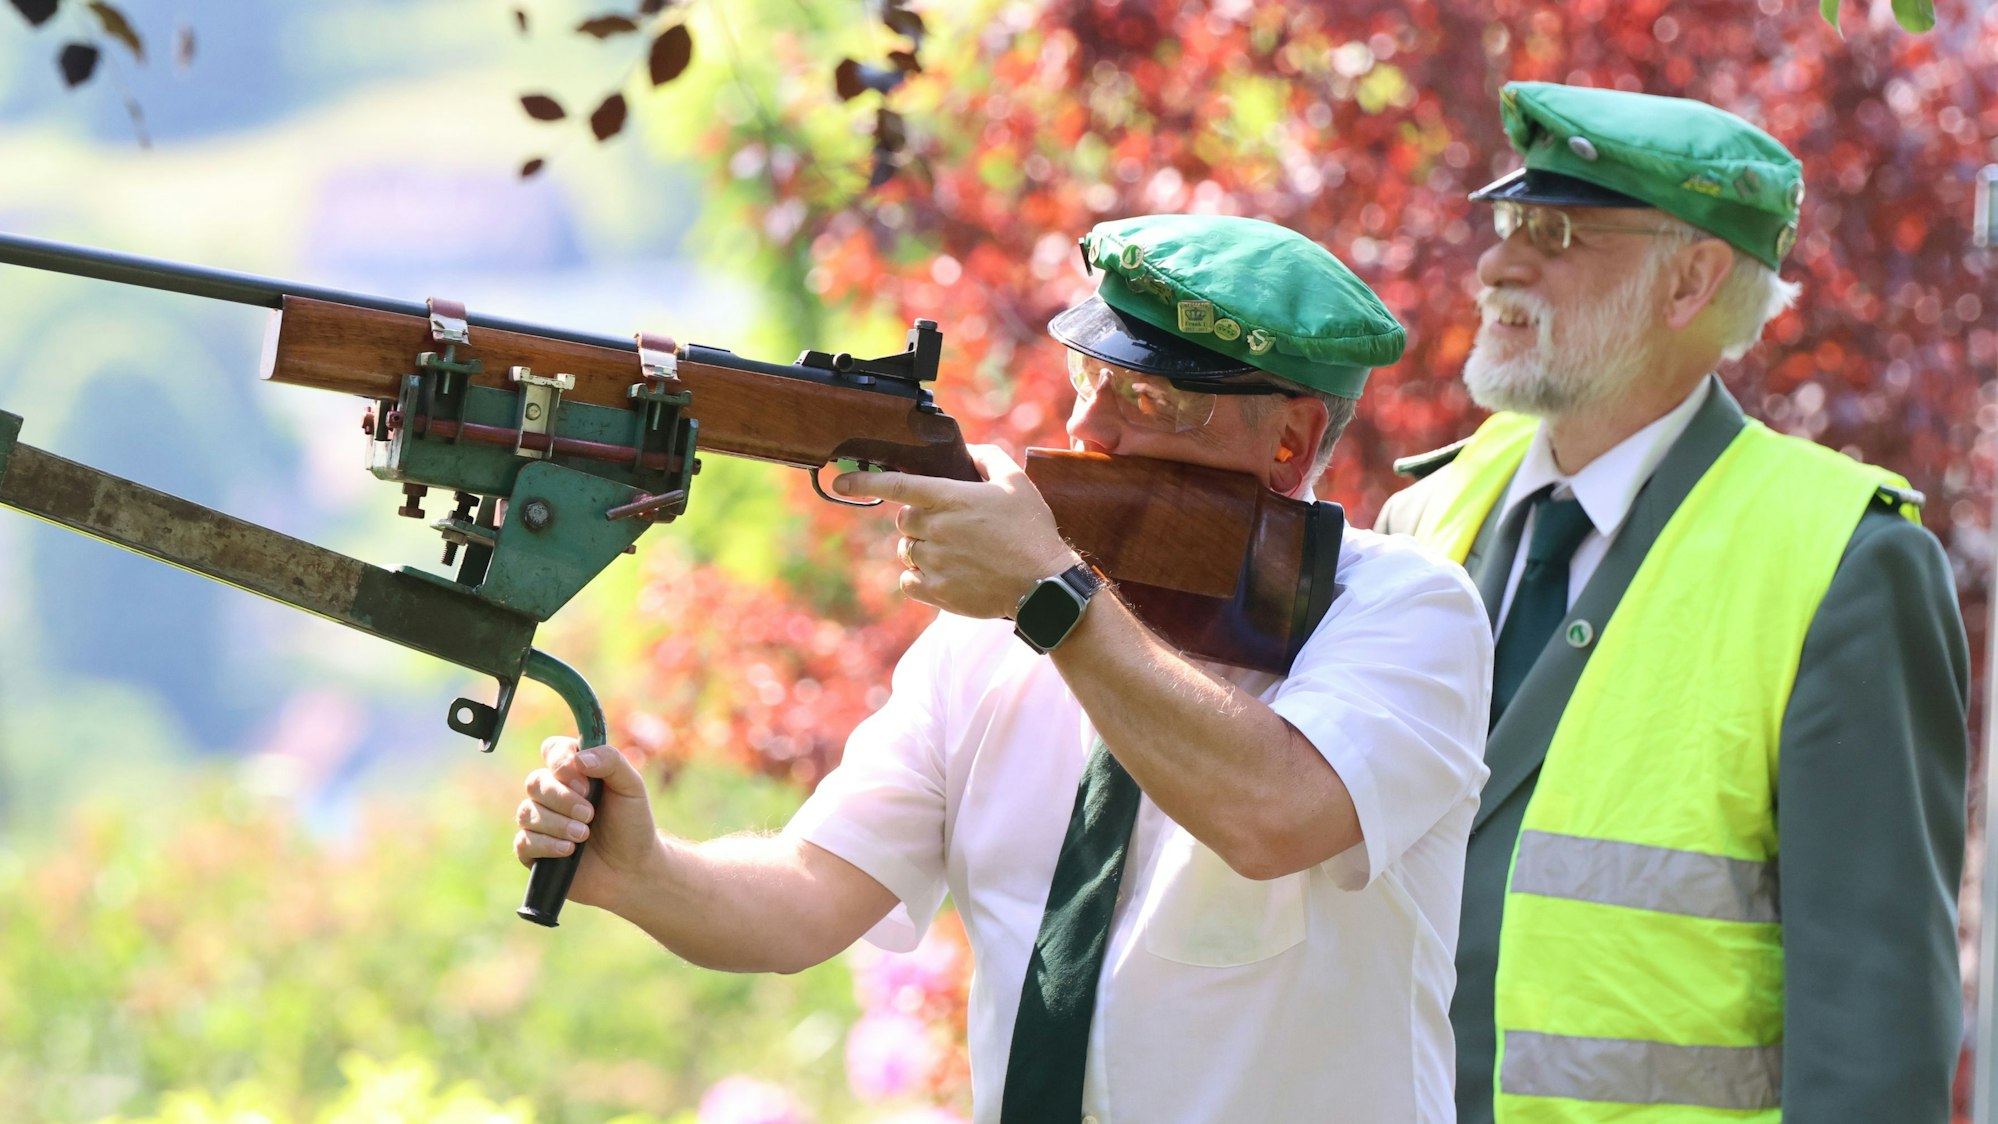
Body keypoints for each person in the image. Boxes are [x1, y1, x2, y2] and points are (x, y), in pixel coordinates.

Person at [515, 214, 1492, 1121]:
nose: (1089, 431)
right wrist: (646, 870)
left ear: (1292, 441)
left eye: (1148, 397)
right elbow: (808, 896)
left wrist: (1054, 597)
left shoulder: (1407, 609)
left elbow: (1273, 812)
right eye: (1089, 376)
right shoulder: (997, 625)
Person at [1377, 82, 1970, 1123]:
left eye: (1556, 233)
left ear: (1691, 278)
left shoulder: (1844, 561)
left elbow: (1873, 1038)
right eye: (1509, 222)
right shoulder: (1423, 518)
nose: (1498, 264)